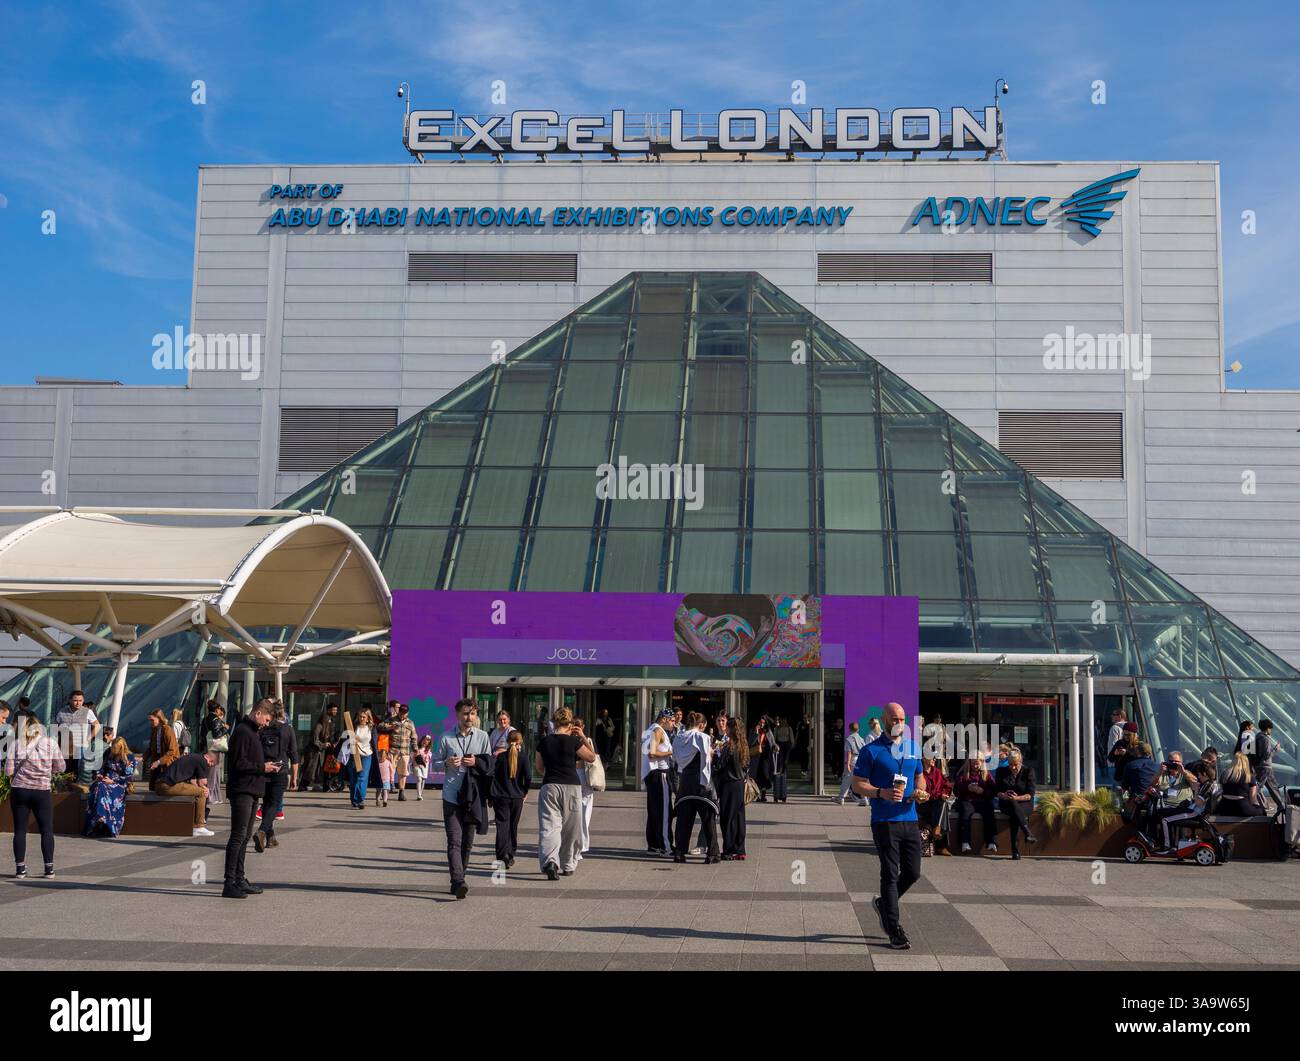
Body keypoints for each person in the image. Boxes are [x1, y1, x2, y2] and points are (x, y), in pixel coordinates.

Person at [852, 702, 927, 950]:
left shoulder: (913, 748)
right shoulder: (870, 750)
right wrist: (881, 793)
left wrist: (921, 791)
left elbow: (920, 776)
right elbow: (857, 784)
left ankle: (884, 904)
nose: (899, 723)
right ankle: (894, 929)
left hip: (910, 818)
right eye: (894, 719)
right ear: (884, 720)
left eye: (902, 719)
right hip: (884, 820)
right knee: (890, 873)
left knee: (914, 872)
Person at [222, 699, 282, 899]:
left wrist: (265, 765)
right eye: (266, 719)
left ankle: (239, 878)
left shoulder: (253, 732)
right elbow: (238, 763)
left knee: (245, 836)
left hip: (252, 789)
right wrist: (262, 768)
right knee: (238, 836)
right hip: (242, 790)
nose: (266, 724)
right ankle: (229, 882)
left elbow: (248, 760)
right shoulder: (242, 732)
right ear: (257, 713)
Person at [435, 698, 493, 899]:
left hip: (473, 796)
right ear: (458, 715)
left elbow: (489, 764)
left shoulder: (483, 736)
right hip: (451, 795)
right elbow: (434, 763)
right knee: (454, 840)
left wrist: (476, 761)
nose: (470, 717)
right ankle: (458, 880)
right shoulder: (446, 737)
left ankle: (460, 877)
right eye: (466, 714)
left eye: (473, 714)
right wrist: (446, 763)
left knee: (467, 843)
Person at [535, 708, 595, 880]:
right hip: (572, 787)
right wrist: (582, 736)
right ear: (570, 724)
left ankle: (550, 862)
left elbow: (539, 768)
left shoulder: (544, 742)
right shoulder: (574, 742)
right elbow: (591, 757)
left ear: (554, 722)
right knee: (571, 828)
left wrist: (551, 772)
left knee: (549, 827)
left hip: (550, 786)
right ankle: (568, 864)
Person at [4, 715, 66, 878]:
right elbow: (61, 766)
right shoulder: (50, 743)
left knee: (20, 830)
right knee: (46, 829)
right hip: (42, 791)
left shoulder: (15, 744)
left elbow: (8, 771)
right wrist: (47, 771)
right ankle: (49, 868)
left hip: (20, 790)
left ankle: (20, 869)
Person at [670, 712, 721, 864]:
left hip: (685, 781)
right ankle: (712, 854)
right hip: (700, 783)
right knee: (708, 820)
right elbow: (706, 760)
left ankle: (679, 852)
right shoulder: (702, 737)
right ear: (702, 725)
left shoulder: (678, 737)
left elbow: (674, 759)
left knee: (684, 820)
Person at [254, 702, 298, 847]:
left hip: (265, 769)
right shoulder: (288, 729)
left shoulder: (263, 729)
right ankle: (261, 831)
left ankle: (271, 837)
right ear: (283, 713)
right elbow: (294, 755)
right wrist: (295, 777)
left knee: (266, 803)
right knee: (274, 804)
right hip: (280, 770)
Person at [491, 729, 530, 868]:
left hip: (501, 796)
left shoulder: (500, 757)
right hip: (517, 797)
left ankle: (502, 856)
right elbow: (528, 777)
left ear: (507, 742)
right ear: (520, 742)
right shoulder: (524, 757)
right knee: (513, 826)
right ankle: (511, 853)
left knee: (502, 826)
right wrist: (525, 791)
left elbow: (494, 776)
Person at [156, 749, 217, 837]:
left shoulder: (194, 757)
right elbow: (202, 782)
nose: (210, 765)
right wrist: (205, 788)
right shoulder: (202, 761)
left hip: (160, 784)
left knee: (199, 790)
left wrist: (201, 786)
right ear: (207, 757)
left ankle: (195, 823)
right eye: (211, 763)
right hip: (167, 786)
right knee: (202, 793)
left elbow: (193, 781)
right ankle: (199, 826)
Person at [83, 736, 135, 838]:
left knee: (100, 788)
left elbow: (128, 777)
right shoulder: (108, 752)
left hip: (119, 784)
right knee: (98, 786)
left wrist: (113, 781)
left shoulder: (129, 758)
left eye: (116, 750)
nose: (114, 752)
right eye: (113, 749)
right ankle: (100, 822)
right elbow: (100, 767)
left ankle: (101, 822)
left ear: (121, 748)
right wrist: (98, 774)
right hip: (105, 781)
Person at [641, 709, 675, 855]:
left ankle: (653, 844)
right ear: (665, 719)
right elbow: (652, 753)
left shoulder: (649, 729)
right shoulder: (658, 730)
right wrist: (672, 752)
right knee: (663, 812)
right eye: (672, 720)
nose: (673, 723)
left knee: (654, 810)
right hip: (659, 773)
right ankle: (665, 846)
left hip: (651, 774)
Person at [995, 748, 1038, 859]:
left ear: (1021, 761)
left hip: (1025, 803)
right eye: (1010, 765)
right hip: (1006, 803)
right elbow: (997, 791)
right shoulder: (1001, 771)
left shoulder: (1029, 771)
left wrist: (1016, 798)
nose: (1013, 768)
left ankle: (1015, 851)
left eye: (1015, 764)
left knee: (1015, 814)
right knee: (1013, 807)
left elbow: (1030, 794)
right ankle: (1027, 833)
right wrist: (1003, 795)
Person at [717, 717, 749, 860]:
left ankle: (728, 850)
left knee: (727, 818)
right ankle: (740, 848)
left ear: (730, 728)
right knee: (739, 817)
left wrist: (716, 754)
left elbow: (720, 765)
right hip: (740, 783)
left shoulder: (728, 746)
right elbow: (746, 765)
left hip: (728, 784)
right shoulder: (743, 745)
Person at [953, 756, 997, 854]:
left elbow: (993, 791)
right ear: (969, 763)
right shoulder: (962, 773)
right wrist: (967, 787)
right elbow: (956, 791)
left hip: (982, 800)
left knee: (989, 812)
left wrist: (983, 791)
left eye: (977, 763)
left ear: (982, 763)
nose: (975, 766)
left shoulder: (987, 774)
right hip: (967, 800)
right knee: (965, 813)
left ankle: (991, 841)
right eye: (973, 763)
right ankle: (965, 841)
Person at [56, 690, 99, 785]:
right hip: (65, 746)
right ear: (70, 700)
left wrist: (88, 738)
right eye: (75, 700)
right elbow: (56, 727)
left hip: (81, 745)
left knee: (78, 769)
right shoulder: (62, 712)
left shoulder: (87, 712)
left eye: (80, 700)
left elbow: (97, 726)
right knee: (65, 768)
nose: (78, 703)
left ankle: (77, 789)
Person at [919, 754, 953, 856]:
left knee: (943, 803)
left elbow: (947, 785)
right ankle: (941, 845)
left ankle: (936, 829)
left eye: (934, 758)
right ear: (924, 758)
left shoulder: (937, 772)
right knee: (942, 809)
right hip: (922, 803)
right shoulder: (919, 773)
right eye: (931, 757)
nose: (934, 759)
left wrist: (944, 794)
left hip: (936, 801)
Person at [572, 717, 596, 860]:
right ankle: (574, 845)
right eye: (574, 725)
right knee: (573, 813)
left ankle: (581, 846)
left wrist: (582, 737)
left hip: (584, 778)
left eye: (579, 725)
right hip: (572, 776)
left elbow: (593, 755)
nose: (576, 728)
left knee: (584, 814)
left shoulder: (586, 740)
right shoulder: (567, 739)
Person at [343, 709, 374, 809]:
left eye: (364, 717)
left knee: (362, 777)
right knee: (353, 779)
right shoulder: (354, 727)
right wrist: (350, 738)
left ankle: (360, 800)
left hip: (366, 755)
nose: (361, 719)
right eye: (360, 716)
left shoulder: (371, 728)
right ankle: (354, 800)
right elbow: (346, 738)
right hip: (353, 754)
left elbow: (374, 740)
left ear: (368, 718)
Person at [831, 721, 868, 806]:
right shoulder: (861, 739)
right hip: (860, 761)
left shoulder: (849, 739)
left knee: (846, 780)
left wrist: (847, 764)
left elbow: (849, 753)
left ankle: (840, 798)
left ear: (849, 729)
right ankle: (864, 799)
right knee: (860, 781)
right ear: (858, 729)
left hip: (852, 761)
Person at [300, 704, 336, 792]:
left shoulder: (326, 727)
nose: (329, 722)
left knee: (316, 770)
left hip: (319, 752)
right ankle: (302, 785)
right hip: (313, 752)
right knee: (310, 769)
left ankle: (313, 785)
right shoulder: (319, 726)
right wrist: (323, 745)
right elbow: (314, 739)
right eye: (328, 720)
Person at [1254, 719, 1285, 820]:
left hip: (1259, 766)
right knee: (1259, 787)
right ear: (1267, 729)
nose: (1271, 731)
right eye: (1270, 728)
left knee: (1270, 786)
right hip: (1266, 767)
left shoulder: (1257, 737)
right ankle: (1279, 806)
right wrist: (1276, 749)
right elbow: (1267, 755)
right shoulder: (1265, 739)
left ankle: (1280, 806)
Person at [200, 701, 229, 804]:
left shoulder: (204, 720)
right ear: (217, 710)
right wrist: (225, 728)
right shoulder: (215, 719)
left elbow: (202, 734)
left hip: (207, 748)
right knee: (213, 773)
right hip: (214, 749)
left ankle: (214, 796)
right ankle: (211, 797)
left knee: (210, 772)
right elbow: (217, 734)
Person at [1219, 752, 1265, 816]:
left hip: (1224, 807)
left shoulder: (1225, 774)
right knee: (1262, 811)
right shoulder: (1249, 776)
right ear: (1245, 763)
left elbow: (1222, 791)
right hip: (1242, 807)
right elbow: (1253, 799)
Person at [145, 708, 180, 790]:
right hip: (158, 760)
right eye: (150, 720)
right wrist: (142, 758)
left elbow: (172, 750)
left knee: (163, 787)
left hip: (167, 762)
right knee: (153, 786)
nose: (151, 723)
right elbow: (151, 747)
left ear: (159, 718)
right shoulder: (154, 730)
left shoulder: (167, 730)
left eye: (152, 720)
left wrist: (159, 761)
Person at [388, 703, 417, 801]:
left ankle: (401, 792)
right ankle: (387, 791)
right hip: (392, 750)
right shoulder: (391, 720)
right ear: (398, 711)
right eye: (401, 712)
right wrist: (390, 727)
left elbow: (414, 737)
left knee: (403, 773)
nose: (402, 715)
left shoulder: (410, 723)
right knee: (389, 772)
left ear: (407, 713)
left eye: (404, 713)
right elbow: (380, 726)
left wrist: (416, 749)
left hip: (404, 752)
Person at [749, 715, 776, 802]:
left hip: (766, 756)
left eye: (763, 723)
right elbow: (750, 742)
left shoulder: (768, 731)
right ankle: (758, 795)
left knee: (765, 774)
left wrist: (775, 747)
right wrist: (756, 732)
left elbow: (772, 742)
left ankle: (763, 794)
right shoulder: (753, 731)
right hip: (756, 756)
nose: (762, 724)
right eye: (760, 722)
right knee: (757, 775)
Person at [771, 715, 793, 803]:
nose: (783, 722)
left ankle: (784, 774)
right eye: (782, 720)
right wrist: (774, 745)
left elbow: (791, 738)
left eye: (784, 720)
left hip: (786, 745)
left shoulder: (789, 728)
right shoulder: (777, 728)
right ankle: (779, 774)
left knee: (785, 761)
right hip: (779, 744)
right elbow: (774, 738)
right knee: (779, 761)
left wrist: (792, 745)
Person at [413, 733, 434, 800]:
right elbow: (413, 757)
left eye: (427, 741)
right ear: (421, 740)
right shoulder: (417, 749)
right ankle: (418, 795)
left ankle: (420, 793)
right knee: (419, 779)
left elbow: (428, 759)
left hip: (425, 766)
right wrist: (416, 756)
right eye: (424, 740)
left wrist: (426, 756)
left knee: (423, 780)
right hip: (417, 765)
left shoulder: (428, 751)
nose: (425, 742)